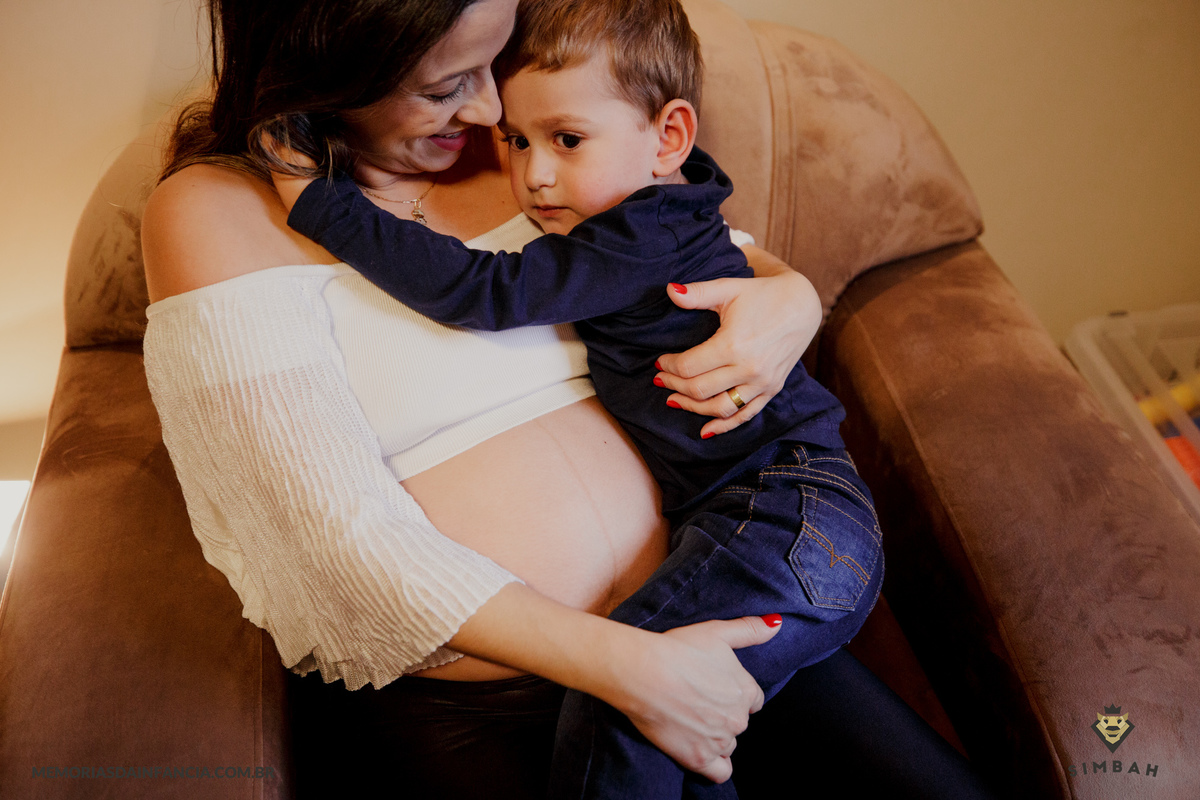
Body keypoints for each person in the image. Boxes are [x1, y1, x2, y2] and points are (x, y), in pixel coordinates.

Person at [140, 0, 997, 798]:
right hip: (505, 705)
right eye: (445, 85)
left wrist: (792, 296)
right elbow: (327, 540)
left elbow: (700, 256)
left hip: (713, 594)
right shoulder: (216, 213)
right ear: (333, 61)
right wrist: (626, 666)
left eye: (490, 66)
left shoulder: (529, 140)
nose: (484, 115)